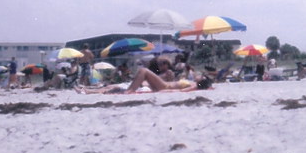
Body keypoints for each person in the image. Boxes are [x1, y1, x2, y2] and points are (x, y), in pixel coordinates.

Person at [80, 67, 213, 94]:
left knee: (143, 71)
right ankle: (87, 91)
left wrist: (168, 91)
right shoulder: (193, 83)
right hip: (162, 85)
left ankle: (130, 91)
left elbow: (183, 91)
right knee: (142, 72)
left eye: (203, 76)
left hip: (164, 87)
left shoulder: (193, 85)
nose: (201, 75)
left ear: (202, 81)